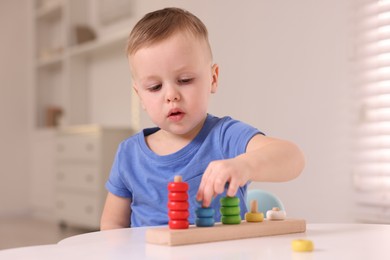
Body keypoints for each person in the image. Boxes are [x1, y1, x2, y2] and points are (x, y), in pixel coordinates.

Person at [100, 7, 305, 230]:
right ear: (139, 95)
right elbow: (112, 225)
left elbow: (293, 158)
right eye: (155, 87)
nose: (171, 95)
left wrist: (244, 165)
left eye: (185, 80)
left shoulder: (226, 137)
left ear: (213, 79)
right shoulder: (128, 155)